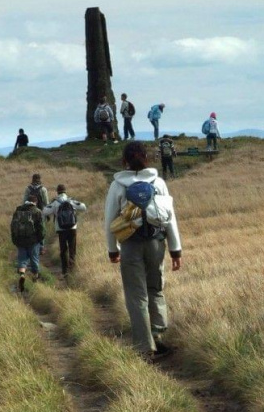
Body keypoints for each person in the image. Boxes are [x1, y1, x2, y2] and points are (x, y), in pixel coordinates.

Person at [104, 141, 182, 360]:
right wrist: (176, 250)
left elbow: (110, 219)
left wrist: (113, 249)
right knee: (155, 288)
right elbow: (170, 218)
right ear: (147, 158)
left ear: (124, 160)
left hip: (130, 245)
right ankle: (158, 335)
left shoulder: (118, 185)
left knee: (136, 295)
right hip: (157, 243)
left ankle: (144, 347)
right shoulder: (159, 183)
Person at [43, 184, 87, 277]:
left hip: (61, 229)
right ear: (65, 191)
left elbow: (45, 211)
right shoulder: (70, 201)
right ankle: (72, 268)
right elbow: (83, 207)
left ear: (57, 192)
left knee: (63, 250)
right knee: (72, 249)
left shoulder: (55, 202)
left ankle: (65, 271)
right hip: (72, 228)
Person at [11, 196, 45, 292]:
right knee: (34, 259)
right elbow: (42, 229)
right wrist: (40, 240)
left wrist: (14, 239)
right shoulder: (37, 211)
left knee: (22, 260)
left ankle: (22, 275)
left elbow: (12, 226)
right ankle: (35, 280)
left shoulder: (18, 210)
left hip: (20, 240)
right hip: (33, 241)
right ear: (35, 202)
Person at [24, 173, 50, 253]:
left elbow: (24, 201)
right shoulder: (43, 189)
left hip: (29, 212)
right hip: (40, 212)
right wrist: (47, 214)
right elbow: (46, 202)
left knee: (31, 228)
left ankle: (32, 246)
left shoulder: (28, 189)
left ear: (32, 179)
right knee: (41, 229)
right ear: (40, 179)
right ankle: (41, 247)